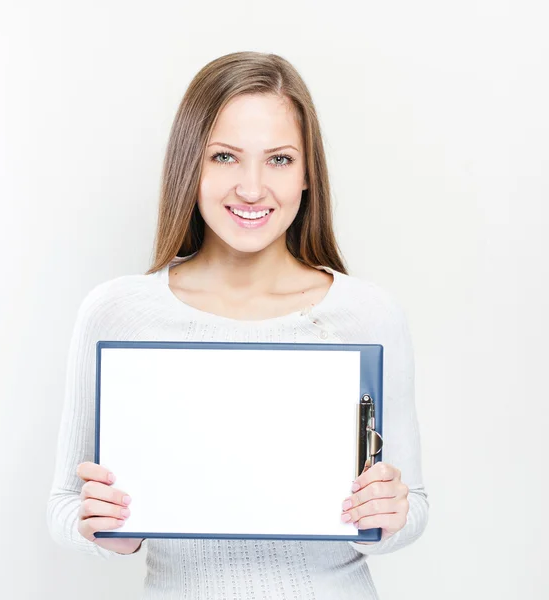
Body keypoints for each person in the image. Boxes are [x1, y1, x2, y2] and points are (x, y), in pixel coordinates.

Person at [47, 50, 429, 599]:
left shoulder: (368, 314)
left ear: (307, 175)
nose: (252, 188)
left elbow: (411, 506)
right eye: (225, 156)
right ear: (189, 167)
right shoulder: (117, 311)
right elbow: (65, 506)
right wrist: (107, 530)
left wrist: (389, 515)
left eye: (279, 160)